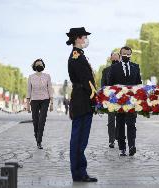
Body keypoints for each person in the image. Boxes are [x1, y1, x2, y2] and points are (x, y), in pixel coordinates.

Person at [66, 27, 97, 182]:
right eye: (84, 36)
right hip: (82, 99)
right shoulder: (77, 56)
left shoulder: (79, 55)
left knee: (81, 138)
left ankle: (80, 171)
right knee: (79, 138)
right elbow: (86, 80)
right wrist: (94, 97)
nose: (86, 39)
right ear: (78, 38)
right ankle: (79, 173)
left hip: (82, 98)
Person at [108, 46, 142, 156]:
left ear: (131, 55)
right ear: (121, 54)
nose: (126, 56)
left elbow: (138, 83)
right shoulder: (114, 68)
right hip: (119, 101)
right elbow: (110, 84)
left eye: (128, 54)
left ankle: (132, 145)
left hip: (132, 101)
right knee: (121, 124)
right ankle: (122, 148)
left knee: (131, 124)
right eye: (124, 54)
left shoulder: (135, 67)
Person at [26, 58, 53, 149]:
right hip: (34, 100)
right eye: (37, 64)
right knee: (35, 121)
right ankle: (36, 135)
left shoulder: (47, 76)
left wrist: (52, 103)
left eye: (41, 64)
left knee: (42, 120)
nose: (39, 65)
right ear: (34, 66)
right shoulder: (31, 77)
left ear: (43, 66)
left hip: (45, 100)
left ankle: (39, 141)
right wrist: (27, 104)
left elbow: (50, 89)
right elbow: (29, 90)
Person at [101, 52, 120, 148]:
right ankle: (111, 140)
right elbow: (103, 85)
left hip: (122, 99)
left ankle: (118, 136)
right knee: (111, 120)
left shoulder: (123, 70)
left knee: (121, 119)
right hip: (110, 99)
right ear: (111, 58)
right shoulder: (106, 71)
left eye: (117, 56)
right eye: (114, 56)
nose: (115, 58)